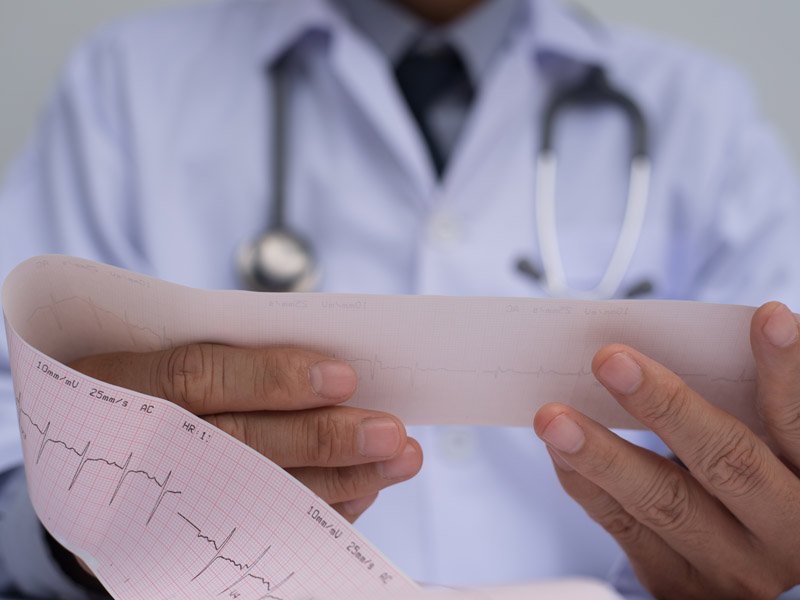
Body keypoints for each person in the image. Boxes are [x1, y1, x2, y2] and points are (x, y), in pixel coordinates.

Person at [0, 0, 799, 597]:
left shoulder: (705, 118)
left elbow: (783, 441)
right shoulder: (125, 88)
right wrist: (70, 518)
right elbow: (10, 459)